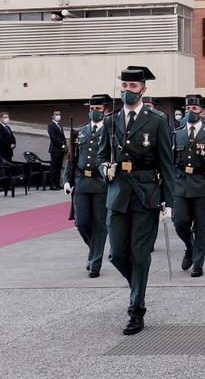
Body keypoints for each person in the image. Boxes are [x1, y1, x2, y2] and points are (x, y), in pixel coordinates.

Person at [96, 65, 170, 335]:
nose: (128, 91)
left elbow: (166, 162)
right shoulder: (110, 120)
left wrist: (168, 201)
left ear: (143, 90)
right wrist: (105, 169)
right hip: (118, 194)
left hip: (145, 194)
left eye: (133, 87)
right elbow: (101, 156)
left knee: (139, 255)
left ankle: (136, 311)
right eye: (124, 87)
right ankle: (138, 285)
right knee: (117, 255)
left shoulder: (157, 120)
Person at [168, 93, 205, 277]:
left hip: (202, 184)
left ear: (202, 111)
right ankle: (190, 247)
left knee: (201, 226)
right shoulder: (177, 134)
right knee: (179, 222)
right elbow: (170, 162)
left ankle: (198, 263)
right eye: (187, 108)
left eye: (193, 108)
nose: (190, 111)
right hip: (180, 183)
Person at [65, 95, 112, 277]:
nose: (94, 112)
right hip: (82, 182)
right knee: (82, 222)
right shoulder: (80, 131)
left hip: (100, 182)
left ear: (105, 111)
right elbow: (71, 157)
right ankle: (94, 251)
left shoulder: (110, 132)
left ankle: (95, 263)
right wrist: (67, 180)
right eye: (92, 109)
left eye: (98, 109)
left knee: (100, 224)